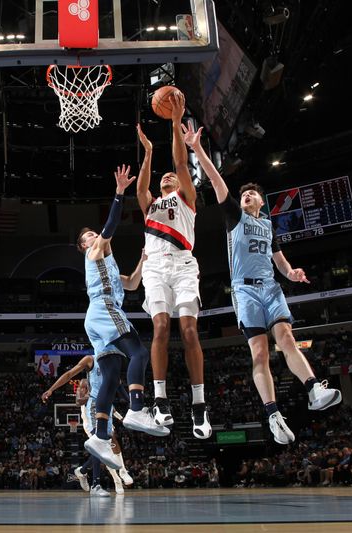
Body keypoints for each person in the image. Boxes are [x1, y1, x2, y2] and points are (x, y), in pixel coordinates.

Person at [185, 122, 341, 444]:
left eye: (251, 194)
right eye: (243, 194)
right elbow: (216, 180)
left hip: (271, 287)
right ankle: (273, 415)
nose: (245, 196)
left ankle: (314, 390)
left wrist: (293, 273)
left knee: (286, 338)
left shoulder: (269, 227)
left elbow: (280, 261)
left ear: (260, 202)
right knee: (259, 354)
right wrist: (198, 149)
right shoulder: (234, 217)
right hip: (244, 290)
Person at [76, 165, 168, 470]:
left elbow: (130, 284)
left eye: (93, 234)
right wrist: (119, 193)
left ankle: (101, 436)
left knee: (112, 376)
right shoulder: (95, 253)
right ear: (85, 246)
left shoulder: (109, 262)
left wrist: (142, 262)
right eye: (88, 236)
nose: (94, 236)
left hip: (97, 317)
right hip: (104, 310)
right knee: (139, 351)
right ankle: (138, 409)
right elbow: (111, 226)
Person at [135, 94, 211, 439]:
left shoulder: (186, 199)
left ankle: (199, 405)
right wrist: (149, 153)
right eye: (162, 177)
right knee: (161, 328)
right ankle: (161, 400)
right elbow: (139, 190)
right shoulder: (150, 205)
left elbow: (181, 164)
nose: (168, 177)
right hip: (155, 268)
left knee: (190, 331)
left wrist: (174, 125)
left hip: (183, 264)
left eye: (171, 176)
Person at [41, 356, 134, 495]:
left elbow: (119, 386)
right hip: (92, 409)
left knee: (110, 442)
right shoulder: (89, 367)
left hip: (107, 406)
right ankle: (111, 479)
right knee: (101, 442)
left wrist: (131, 403)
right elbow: (77, 399)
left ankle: (82, 471)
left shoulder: (113, 364)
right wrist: (51, 389)